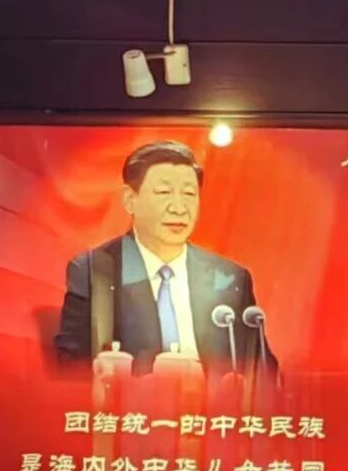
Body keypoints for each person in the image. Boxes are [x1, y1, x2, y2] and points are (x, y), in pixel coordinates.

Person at [55, 140, 277, 382]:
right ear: (130, 199)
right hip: (133, 404)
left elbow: (264, 372)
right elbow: (71, 370)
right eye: (163, 193)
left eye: (189, 194)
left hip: (213, 406)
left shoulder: (229, 278)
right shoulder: (96, 271)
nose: (179, 208)